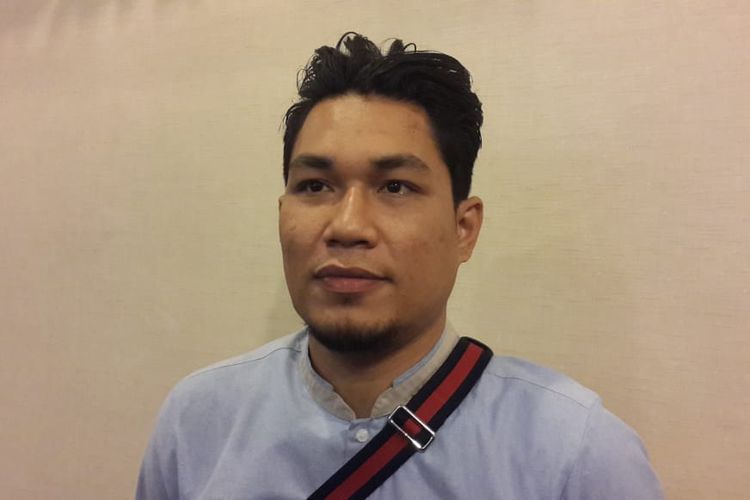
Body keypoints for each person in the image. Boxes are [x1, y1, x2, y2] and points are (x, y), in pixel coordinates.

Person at [136, 32, 663, 499]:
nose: (347, 226)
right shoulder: (197, 422)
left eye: (395, 187)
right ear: (281, 214)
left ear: (464, 228)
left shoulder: (576, 453)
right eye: (315, 186)